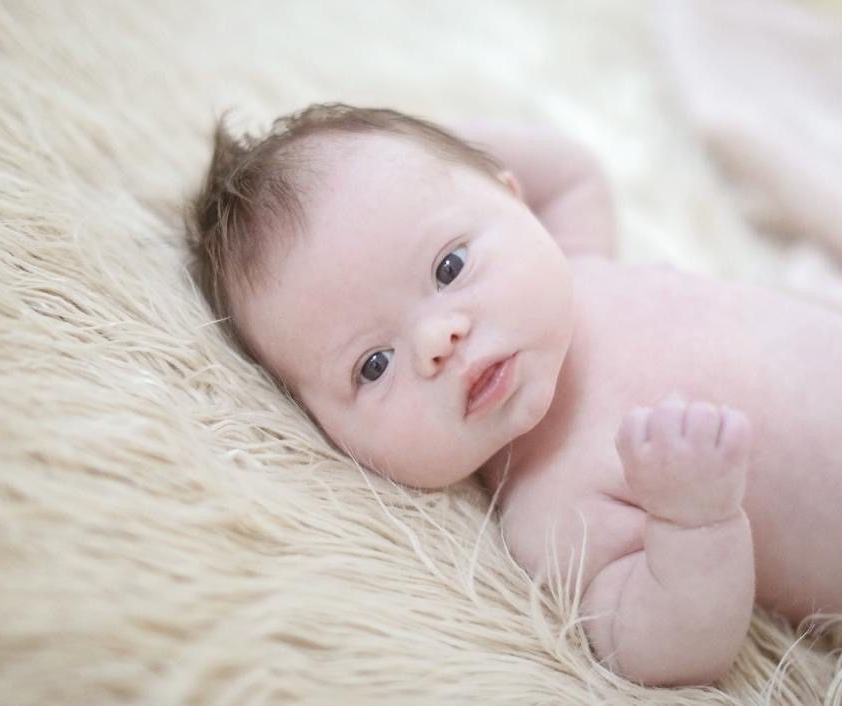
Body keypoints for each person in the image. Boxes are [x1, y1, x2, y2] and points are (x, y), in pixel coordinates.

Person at [187, 103, 842, 686]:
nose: (437, 340)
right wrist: (694, 521)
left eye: (449, 267)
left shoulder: (574, 262)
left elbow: (570, 166)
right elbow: (670, 653)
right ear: (326, 432)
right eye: (374, 364)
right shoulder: (547, 502)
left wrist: (427, 148)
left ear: (513, 200)